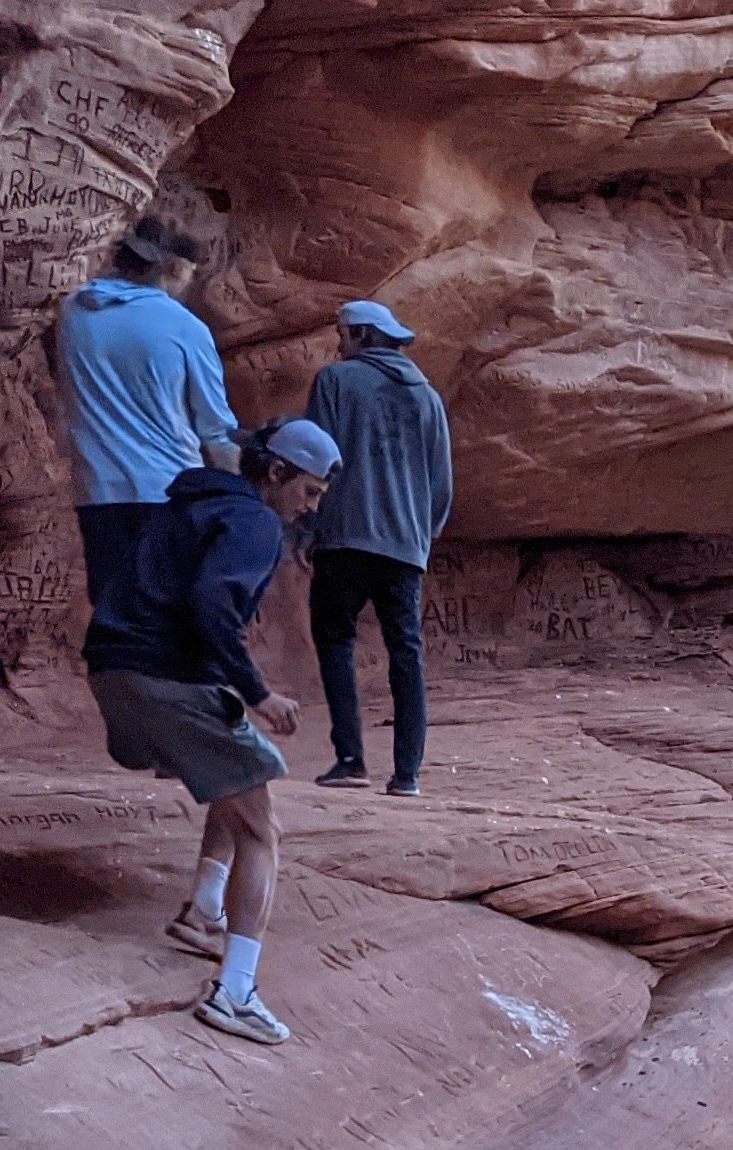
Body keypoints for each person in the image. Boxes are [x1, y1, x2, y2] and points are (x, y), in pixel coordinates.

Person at [82, 422, 340, 1046]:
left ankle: (204, 912)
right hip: (162, 678)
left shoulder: (189, 505)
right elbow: (212, 603)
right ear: (275, 472)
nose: (309, 507)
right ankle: (236, 992)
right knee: (262, 829)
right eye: (308, 492)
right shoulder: (252, 523)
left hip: (116, 672)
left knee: (243, 770)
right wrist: (257, 693)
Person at [300, 300, 453, 797]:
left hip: (345, 534)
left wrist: (307, 530)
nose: (338, 344)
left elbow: (317, 461)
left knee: (336, 641)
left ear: (363, 335)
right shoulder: (427, 398)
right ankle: (407, 774)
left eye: (344, 334)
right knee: (406, 652)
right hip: (405, 545)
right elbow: (441, 485)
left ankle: (351, 759)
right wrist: (421, 536)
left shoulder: (335, 383)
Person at [55, 226, 241, 615]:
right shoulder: (185, 327)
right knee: (167, 621)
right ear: (174, 269)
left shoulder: (74, 311)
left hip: (98, 492)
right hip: (170, 492)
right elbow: (217, 432)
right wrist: (238, 502)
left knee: (113, 618)